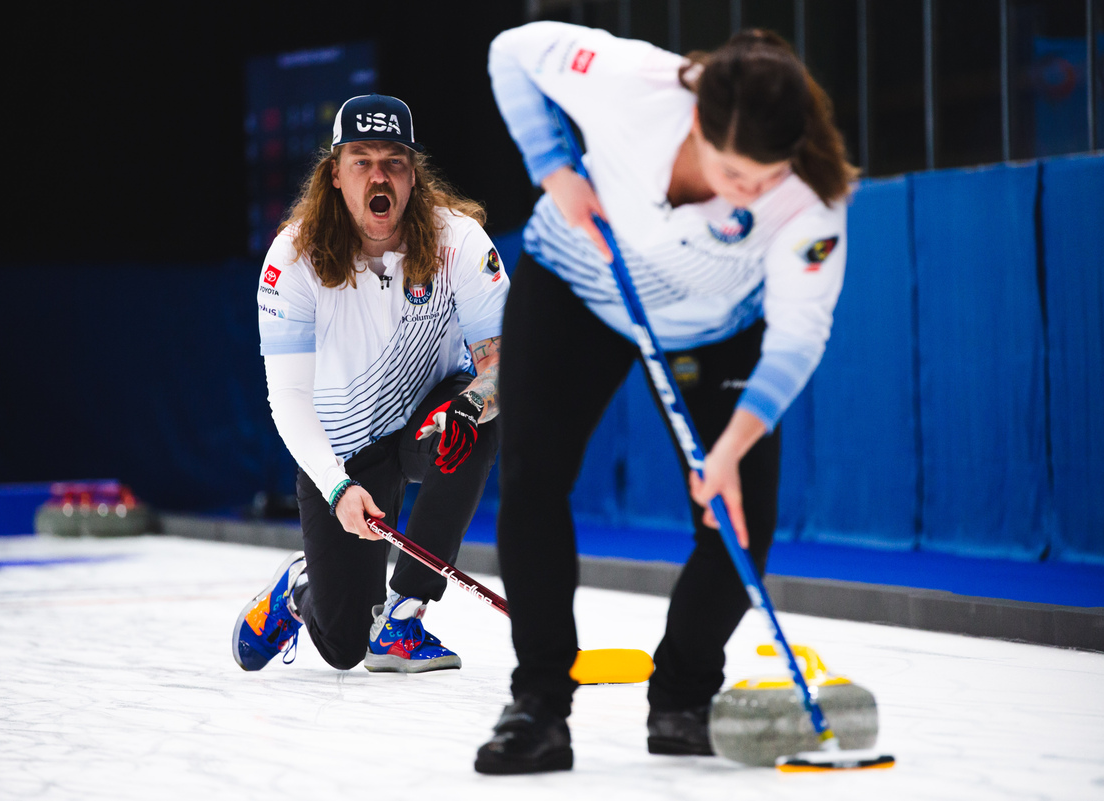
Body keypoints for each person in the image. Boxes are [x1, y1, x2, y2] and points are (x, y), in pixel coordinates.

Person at [475, 22, 855, 774]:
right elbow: (511, 51)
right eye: (731, 170)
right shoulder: (635, 84)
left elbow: (798, 337)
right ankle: (540, 705)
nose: (742, 193)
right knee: (532, 476)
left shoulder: (813, 201)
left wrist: (731, 448)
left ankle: (682, 694)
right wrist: (554, 168)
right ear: (697, 120)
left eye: (762, 177)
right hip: (577, 279)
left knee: (740, 521)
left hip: (715, 326)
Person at [233, 94, 508, 676]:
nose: (378, 176)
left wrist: (472, 405)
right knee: (341, 646)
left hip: (424, 421)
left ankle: (405, 616)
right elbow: (286, 400)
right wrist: (335, 488)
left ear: (413, 175)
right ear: (335, 174)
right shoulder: (294, 256)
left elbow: (502, 366)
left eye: (394, 161)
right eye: (361, 160)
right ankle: (300, 584)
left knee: (481, 424)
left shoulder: (458, 242)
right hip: (343, 448)